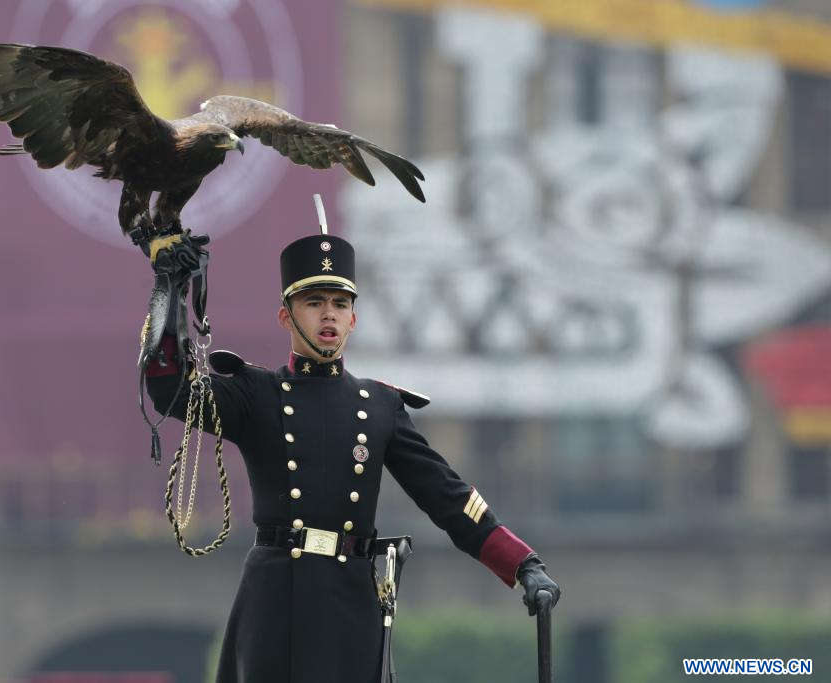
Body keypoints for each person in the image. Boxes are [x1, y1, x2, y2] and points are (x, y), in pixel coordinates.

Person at [144, 230, 560, 683]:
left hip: (353, 602)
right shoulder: (256, 393)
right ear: (286, 315)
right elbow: (170, 388)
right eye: (314, 302)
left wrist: (522, 564)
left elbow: (446, 495)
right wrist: (170, 291)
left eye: (340, 304)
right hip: (277, 599)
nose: (329, 315)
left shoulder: (380, 404)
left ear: (353, 320)